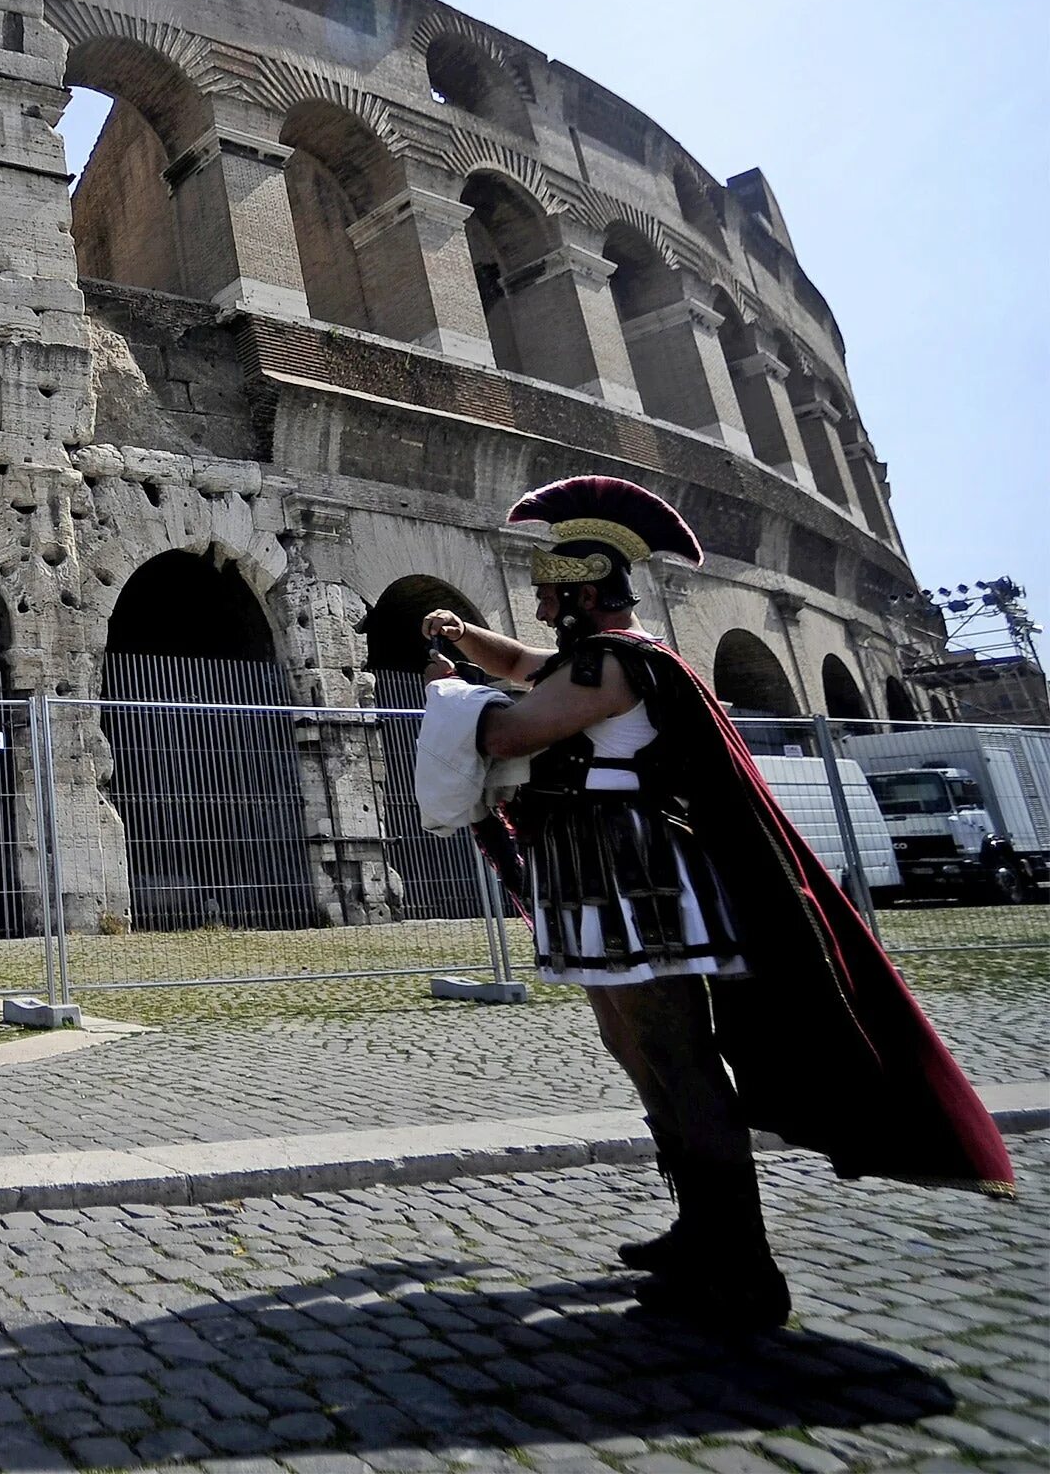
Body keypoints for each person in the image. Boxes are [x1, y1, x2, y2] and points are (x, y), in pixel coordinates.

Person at [423, 474, 1013, 1332]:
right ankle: (699, 1226)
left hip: (635, 880)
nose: (543, 604)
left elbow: (510, 729)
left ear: (586, 587)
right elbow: (521, 668)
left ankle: (740, 1262)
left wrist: (446, 696)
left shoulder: (614, 663)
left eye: (552, 590)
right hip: (603, 876)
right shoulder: (613, 654)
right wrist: (461, 635)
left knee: (674, 1056)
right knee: (636, 1048)